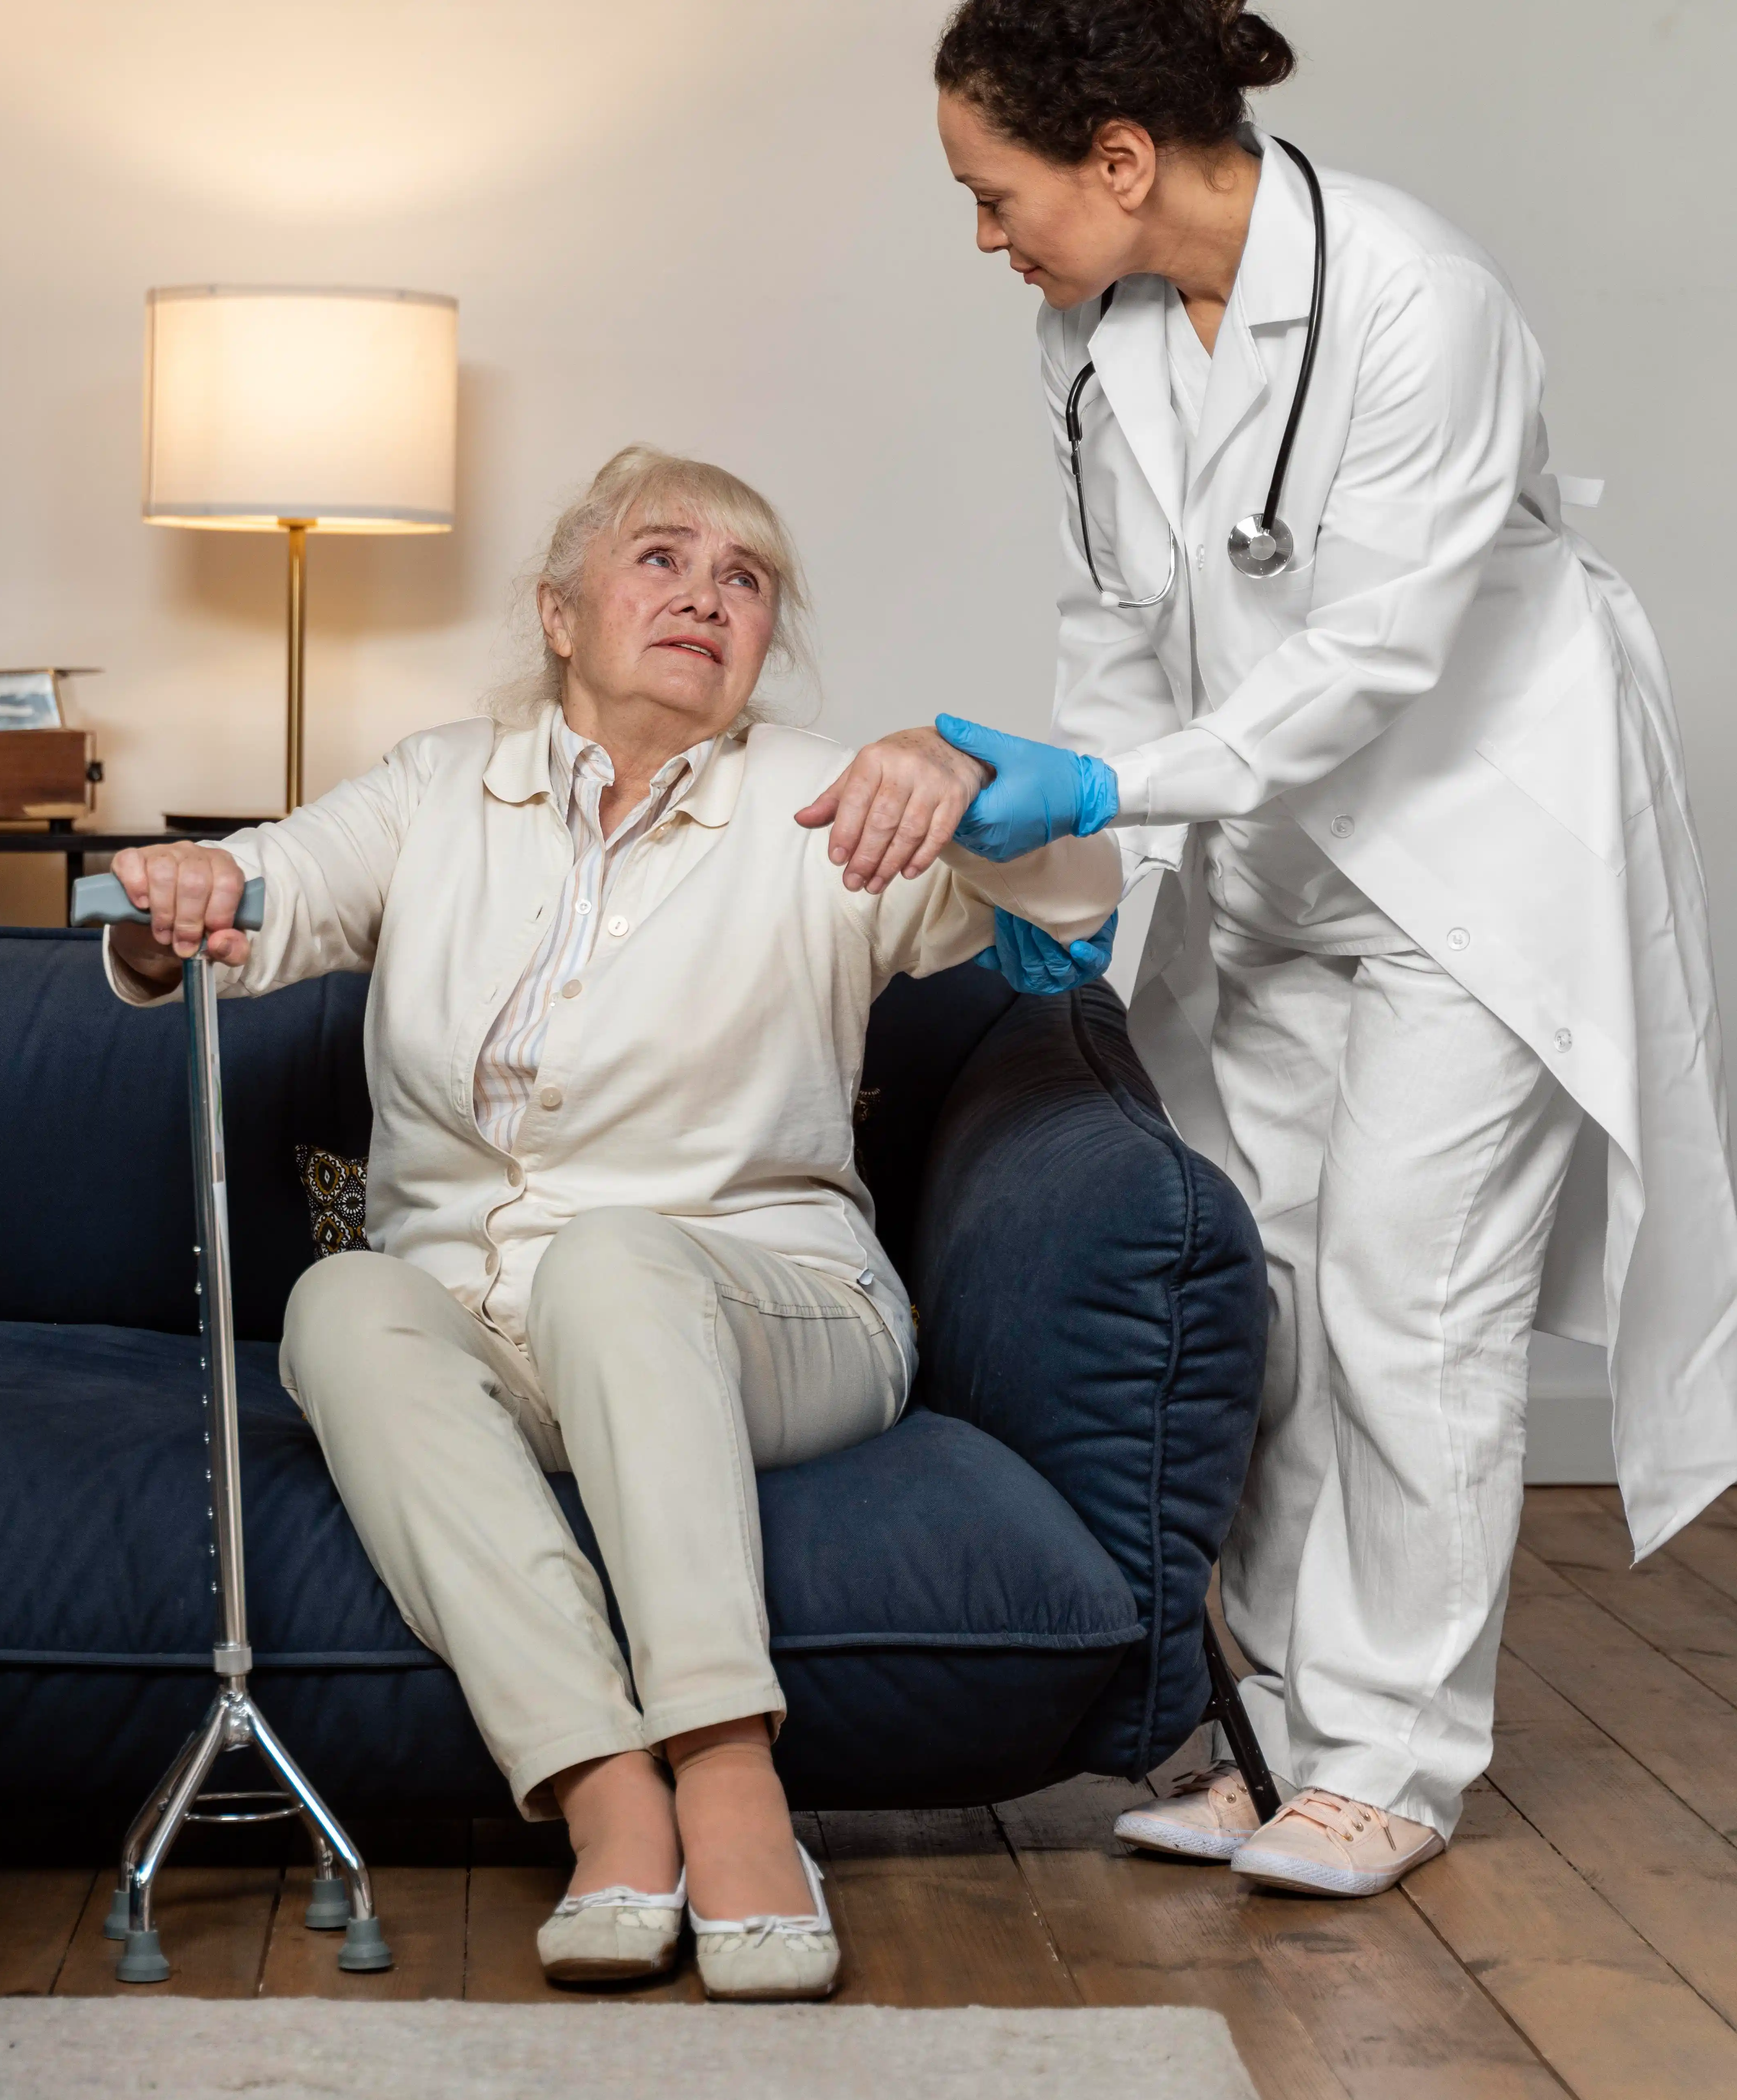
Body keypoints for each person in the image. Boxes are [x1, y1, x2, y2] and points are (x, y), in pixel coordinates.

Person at [802, 0, 1737, 1897]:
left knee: (1410, 1304)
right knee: (1274, 1304)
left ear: (1116, 159)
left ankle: (1393, 1761)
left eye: (993, 195)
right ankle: (1279, 1738)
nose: (983, 238)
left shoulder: (1419, 298)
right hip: (1268, 854)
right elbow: (1113, 625)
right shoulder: (1083, 338)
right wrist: (1071, 886)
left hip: (1475, 841)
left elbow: (1371, 662)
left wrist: (1106, 783)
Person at [104, 446, 1117, 1995]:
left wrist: (967, 781)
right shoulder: (443, 783)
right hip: (496, 1334)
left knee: (618, 1260)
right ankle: (603, 1787)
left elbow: (1071, 906)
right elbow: (266, 885)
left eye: (748, 577)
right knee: (343, 1306)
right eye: (662, 557)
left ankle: (728, 1776)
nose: (708, 592)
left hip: (770, 1311)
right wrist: (187, 893)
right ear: (560, 613)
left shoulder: (825, 802)